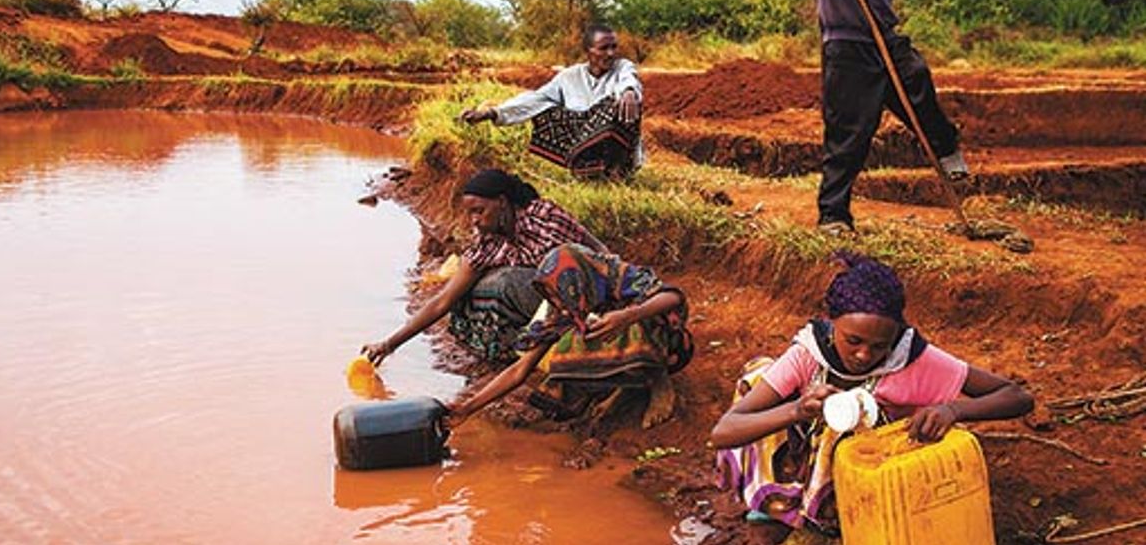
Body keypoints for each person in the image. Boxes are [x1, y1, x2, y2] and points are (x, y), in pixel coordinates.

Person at [710, 252, 1033, 539]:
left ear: (896, 334)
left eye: (880, 345)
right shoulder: (808, 355)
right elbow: (724, 432)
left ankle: (825, 523)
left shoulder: (914, 360)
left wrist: (952, 411)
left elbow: (1017, 396)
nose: (864, 355)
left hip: (881, 474)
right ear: (831, 321)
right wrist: (797, 410)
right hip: (807, 450)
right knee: (759, 378)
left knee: (840, 429)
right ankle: (776, 504)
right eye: (853, 341)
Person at [801, 0, 969, 236]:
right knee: (849, 132)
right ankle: (834, 216)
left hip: (885, 38)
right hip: (846, 42)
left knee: (920, 87)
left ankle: (947, 150)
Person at [362, 169, 607, 366]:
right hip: (553, 309)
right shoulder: (488, 243)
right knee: (467, 295)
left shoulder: (543, 217)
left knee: (505, 282)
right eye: (470, 214)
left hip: (587, 295)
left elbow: (594, 249)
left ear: (501, 202)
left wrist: (617, 281)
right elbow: (442, 301)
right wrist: (389, 344)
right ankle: (529, 350)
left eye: (479, 211)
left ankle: (561, 343)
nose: (474, 221)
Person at [445, 243, 694, 429]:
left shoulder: (616, 274)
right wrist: (468, 408)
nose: (557, 301)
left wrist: (628, 316)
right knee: (566, 348)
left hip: (669, 348)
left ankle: (658, 382)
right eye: (551, 295)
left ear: (576, 278)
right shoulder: (563, 310)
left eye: (558, 292)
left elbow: (674, 296)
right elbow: (520, 369)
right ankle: (624, 388)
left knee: (631, 326)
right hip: (624, 350)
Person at [460, 25, 643, 179]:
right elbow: (537, 98)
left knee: (620, 103)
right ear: (588, 51)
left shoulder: (622, 67)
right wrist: (493, 112)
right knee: (544, 108)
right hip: (581, 145)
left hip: (615, 152)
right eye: (603, 48)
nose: (611, 53)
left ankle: (616, 172)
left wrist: (628, 91)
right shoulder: (569, 76)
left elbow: (630, 79)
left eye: (614, 47)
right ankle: (584, 167)